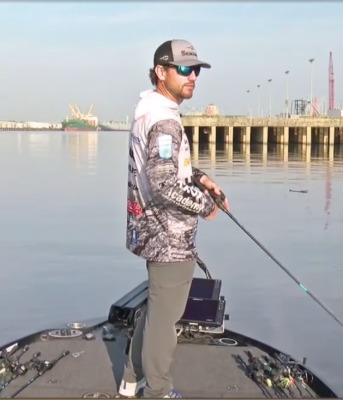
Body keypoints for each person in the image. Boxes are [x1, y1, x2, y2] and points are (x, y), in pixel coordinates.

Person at [119, 39, 230, 399]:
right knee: (165, 320)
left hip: (153, 230)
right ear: (160, 71)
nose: (192, 76)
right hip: (168, 236)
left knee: (157, 310)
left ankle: (131, 379)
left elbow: (167, 167)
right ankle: (158, 391)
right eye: (183, 69)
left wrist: (200, 177)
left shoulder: (150, 110)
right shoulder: (164, 120)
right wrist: (205, 205)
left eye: (195, 69)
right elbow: (164, 184)